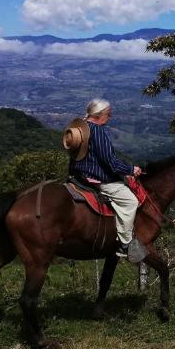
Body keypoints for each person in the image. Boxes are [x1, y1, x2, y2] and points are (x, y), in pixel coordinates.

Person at [68, 98, 147, 263]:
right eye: (108, 114)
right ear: (98, 115)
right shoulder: (97, 131)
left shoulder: (79, 128)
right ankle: (125, 244)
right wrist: (131, 169)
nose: (110, 117)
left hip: (77, 175)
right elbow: (109, 161)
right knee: (130, 201)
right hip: (96, 178)